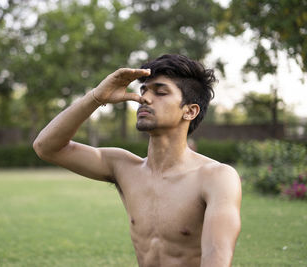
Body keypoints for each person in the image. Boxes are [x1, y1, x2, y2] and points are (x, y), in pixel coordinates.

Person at [33, 54, 242, 267]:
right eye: (144, 90)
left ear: (189, 111)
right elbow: (46, 147)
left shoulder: (217, 177)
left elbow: (216, 257)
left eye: (160, 92)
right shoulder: (123, 167)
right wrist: (97, 96)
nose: (145, 98)